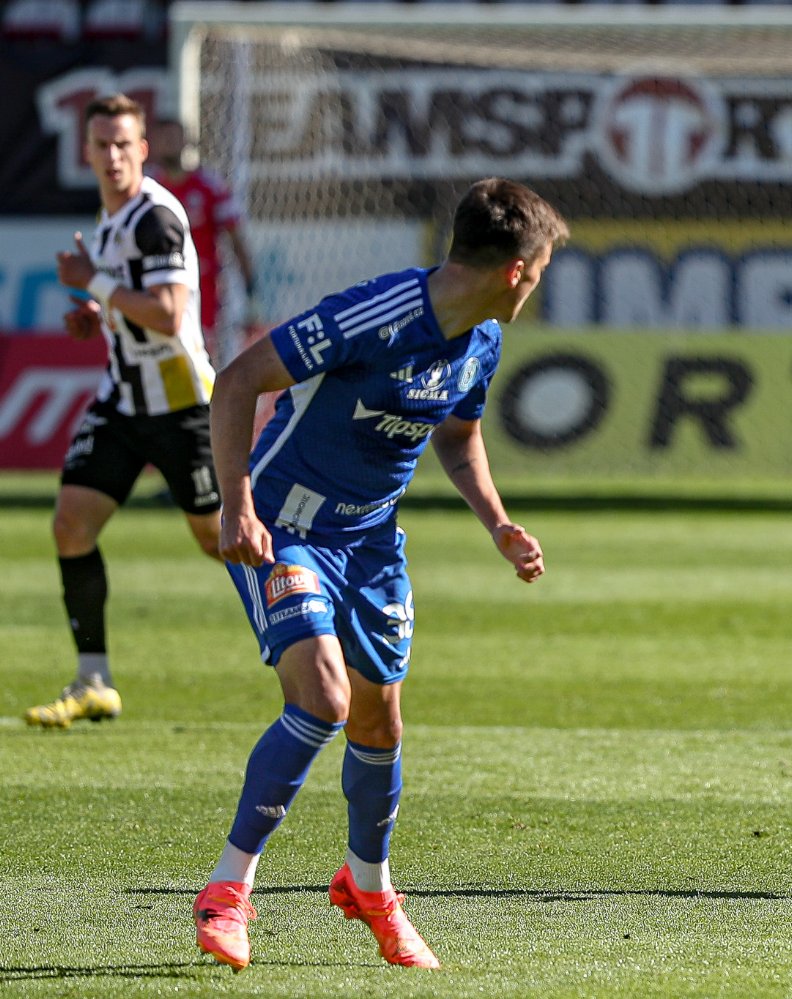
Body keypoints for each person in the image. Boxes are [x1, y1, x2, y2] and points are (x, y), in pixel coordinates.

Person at [193, 177, 568, 972]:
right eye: (538, 272)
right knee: (323, 697)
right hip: (286, 526)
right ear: (514, 270)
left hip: (370, 544)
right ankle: (227, 890)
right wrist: (236, 505)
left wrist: (498, 523)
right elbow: (237, 379)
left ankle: (370, 887)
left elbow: (458, 438)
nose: (536, 286)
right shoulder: (376, 313)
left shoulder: (482, 340)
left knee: (378, 722)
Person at [25, 94, 221, 729]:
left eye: (121, 144)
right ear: (86, 152)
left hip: (181, 404)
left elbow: (167, 313)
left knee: (221, 541)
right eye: (100, 144)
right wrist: (98, 313)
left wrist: (94, 283)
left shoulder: (154, 219)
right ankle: (93, 681)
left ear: (142, 149)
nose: (111, 156)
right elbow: (132, 304)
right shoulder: (110, 221)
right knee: (71, 525)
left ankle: (314, 612)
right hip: (123, 401)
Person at [146, 117, 257, 367]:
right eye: (163, 138)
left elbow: (236, 238)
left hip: (202, 294)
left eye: (174, 137)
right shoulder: (145, 189)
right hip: (154, 292)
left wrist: (251, 290)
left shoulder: (209, 185)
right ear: (152, 144)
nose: (169, 144)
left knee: (200, 362)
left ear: (186, 141)